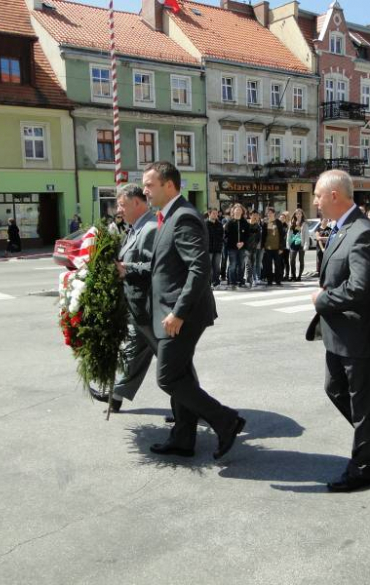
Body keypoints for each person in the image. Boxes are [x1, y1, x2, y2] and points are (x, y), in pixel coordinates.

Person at [142, 161, 245, 459]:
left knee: (168, 377)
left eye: (150, 185)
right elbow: (165, 264)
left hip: (181, 314)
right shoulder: (169, 215)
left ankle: (226, 420)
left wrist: (179, 312)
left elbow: (200, 270)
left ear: (169, 185)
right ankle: (184, 438)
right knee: (182, 374)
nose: (146, 190)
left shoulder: (184, 216)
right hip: (172, 310)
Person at [307, 169, 370, 492]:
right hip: (340, 333)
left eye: (318, 195)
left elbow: (360, 288)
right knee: (335, 390)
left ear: (334, 195)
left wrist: (323, 299)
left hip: (359, 335)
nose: (315, 201)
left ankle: (363, 468)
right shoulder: (341, 228)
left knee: (363, 406)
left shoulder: (363, 232)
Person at [88, 184, 159, 413]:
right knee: (135, 351)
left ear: (137, 203)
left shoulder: (150, 228)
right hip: (139, 308)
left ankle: (191, 406)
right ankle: (117, 395)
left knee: (173, 363)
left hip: (151, 308)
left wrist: (126, 268)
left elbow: (157, 267)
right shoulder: (135, 227)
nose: (119, 210)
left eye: (122, 204)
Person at [224, 203, 249, 290]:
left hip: (242, 247)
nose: (238, 211)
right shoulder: (229, 223)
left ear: (242, 212)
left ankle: (241, 281)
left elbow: (248, 236)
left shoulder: (245, 223)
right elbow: (226, 236)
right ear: (233, 211)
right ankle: (232, 282)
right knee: (233, 265)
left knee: (242, 265)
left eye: (240, 210)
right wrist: (235, 243)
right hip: (232, 248)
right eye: (236, 209)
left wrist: (243, 243)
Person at [262, 207, 285, 286]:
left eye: (271, 213)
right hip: (268, 247)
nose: (269, 214)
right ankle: (269, 281)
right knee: (268, 265)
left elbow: (282, 235)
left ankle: (278, 280)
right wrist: (263, 246)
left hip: (277, 248)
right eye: (268, 213)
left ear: (274, 213)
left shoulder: (278, 222)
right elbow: (263, 235)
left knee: (278, 265)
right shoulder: (265, 223)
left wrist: (281, 247)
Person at [288, 208, 310, 281]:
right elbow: (289, 234)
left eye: (299, 213)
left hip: (301, 244)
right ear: (295, 215)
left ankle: (299, 276)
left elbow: (307, 235)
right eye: (297, 213)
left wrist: (306, 246)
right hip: (293, 244)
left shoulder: (304, 224)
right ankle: (293, 276)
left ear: (302, 214)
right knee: (292, 260)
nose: (298, 215)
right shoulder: (292, 223)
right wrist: (288, 243)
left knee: (301, 260)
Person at [206, 208, 224, 288]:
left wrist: (221, 244)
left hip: (217, 249)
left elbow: (222, 236)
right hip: (208, 249)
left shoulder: (219, 224)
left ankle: (216, 282)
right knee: (208, 267)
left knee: (216, 266)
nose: (215, 215)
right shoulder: (205, 224)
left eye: (216, 213)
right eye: (213, 213)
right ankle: (208, 283)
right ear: (209, 214)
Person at [245, 211, 263, 287]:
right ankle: (248, 280)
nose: (255, 217)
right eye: (254, 215)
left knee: (253, 263)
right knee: (248, 264)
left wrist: (255, 244)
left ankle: (252, 279)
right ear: (250, 215)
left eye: (256, 215)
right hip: (246, 248)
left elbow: (258, 238)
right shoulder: (246, 225)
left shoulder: (257, 226)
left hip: (254, 248)